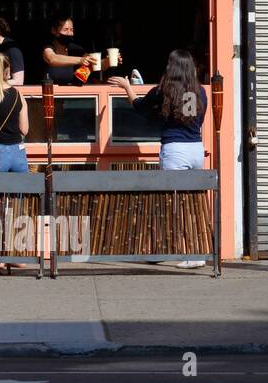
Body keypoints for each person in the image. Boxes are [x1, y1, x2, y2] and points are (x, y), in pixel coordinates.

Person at [109, 48, 207, 268]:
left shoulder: (163, 91)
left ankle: (189, 254)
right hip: (195, 149)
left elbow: (139, 107)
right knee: (190, 202)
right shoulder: (199, 92)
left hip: (175, 151)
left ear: (170, 68)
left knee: (171, 204)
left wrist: (127, 87)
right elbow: (195, 120)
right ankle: (190, 251)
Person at [42, 15, 97, 86]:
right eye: (65, 29)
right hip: (50, 94)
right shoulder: (48, 47)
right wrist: (80, 60)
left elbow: (95, 64)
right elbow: (51, 59)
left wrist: (108, 61)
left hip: (73, 95)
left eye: (71, 30)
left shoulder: (76, 49)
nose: (69, 33)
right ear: (54, 30)